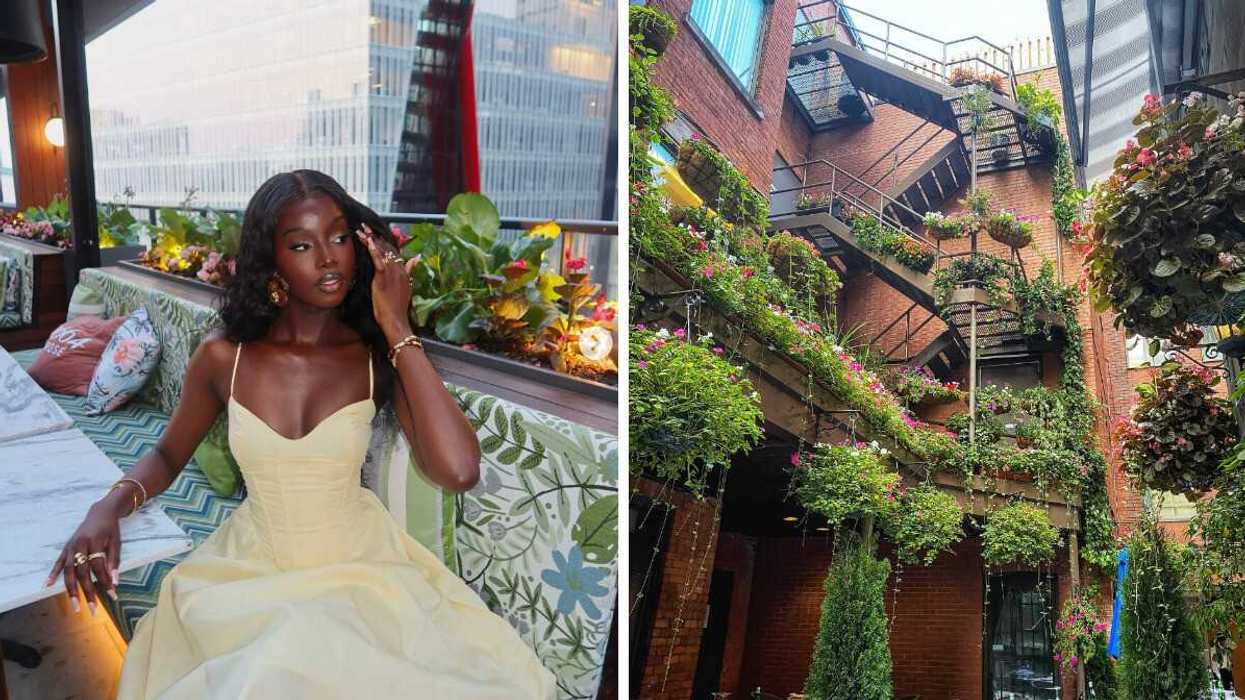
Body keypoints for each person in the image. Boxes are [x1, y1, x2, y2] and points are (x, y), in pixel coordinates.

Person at [44, 170, 556, 699]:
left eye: (338, 238)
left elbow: (458, 469)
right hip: (252, 570)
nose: (328, 258)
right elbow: (170, 453)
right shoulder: (225, 356)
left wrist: (398, 328)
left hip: (360, 570)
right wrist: (107, 507)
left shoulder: (376, 355)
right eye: (301, 245)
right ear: (272, 261)